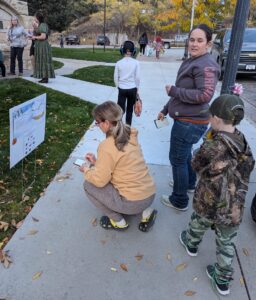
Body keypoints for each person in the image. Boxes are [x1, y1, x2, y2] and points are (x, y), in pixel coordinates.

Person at [179, 94, 255, 296]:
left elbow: (196, 164)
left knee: (199, 221)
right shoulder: (241, 140)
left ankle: (191, 244)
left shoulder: (213, 145)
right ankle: (222, 281)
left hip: (209, 201)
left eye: (210, 117)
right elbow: (247, 166)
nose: (208, 120)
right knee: (226, 243)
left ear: (218, 119)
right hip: (232, 207)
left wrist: (206, 141)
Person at [158, 24, 220, 211]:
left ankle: (179, 199)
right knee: (184, 156)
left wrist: (174, 91)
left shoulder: (206, 65)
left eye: (199, 40)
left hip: (190, 122)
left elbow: (204, 95)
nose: (194, 44)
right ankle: (189, 184)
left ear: (208, 44)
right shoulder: (194, 60)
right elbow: (183, 93)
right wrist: (165, 108)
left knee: (177, 159)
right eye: (192, 39)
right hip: (186, 119)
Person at [80, 101, 157, 232]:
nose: (97, 125)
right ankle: (146, 212)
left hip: (132, 203)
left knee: (88, 185)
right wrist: (96, 162)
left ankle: (118, 222)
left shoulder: (107, 146)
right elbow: (120, 164)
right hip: (149, 195)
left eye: (97, 122)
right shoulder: (130, 134)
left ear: (106, 123)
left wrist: (86, 169)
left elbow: (100, 180)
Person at [114, 40, 140, 125]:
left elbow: (115, 78)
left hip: (122, 89)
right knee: (129, 110)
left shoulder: (118, 63)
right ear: (134, 51)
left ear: (122, 50)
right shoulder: (136, 63)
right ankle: (128, 128)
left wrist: (118, 86)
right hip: (132, 89)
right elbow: (137, 77)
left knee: (120, 110)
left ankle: (119, 127)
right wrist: (137, 88)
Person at [31, 12, 55, 83]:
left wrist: (35, 37)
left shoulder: (43, 25)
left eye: (35, 17)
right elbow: (39, 34)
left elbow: (43, 36)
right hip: (40, 45)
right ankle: (44, 77)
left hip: (43, 46)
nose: (34, 18)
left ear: (38, 18)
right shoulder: (40, 25)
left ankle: (45, 78)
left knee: (43, 60)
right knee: (41, 60)